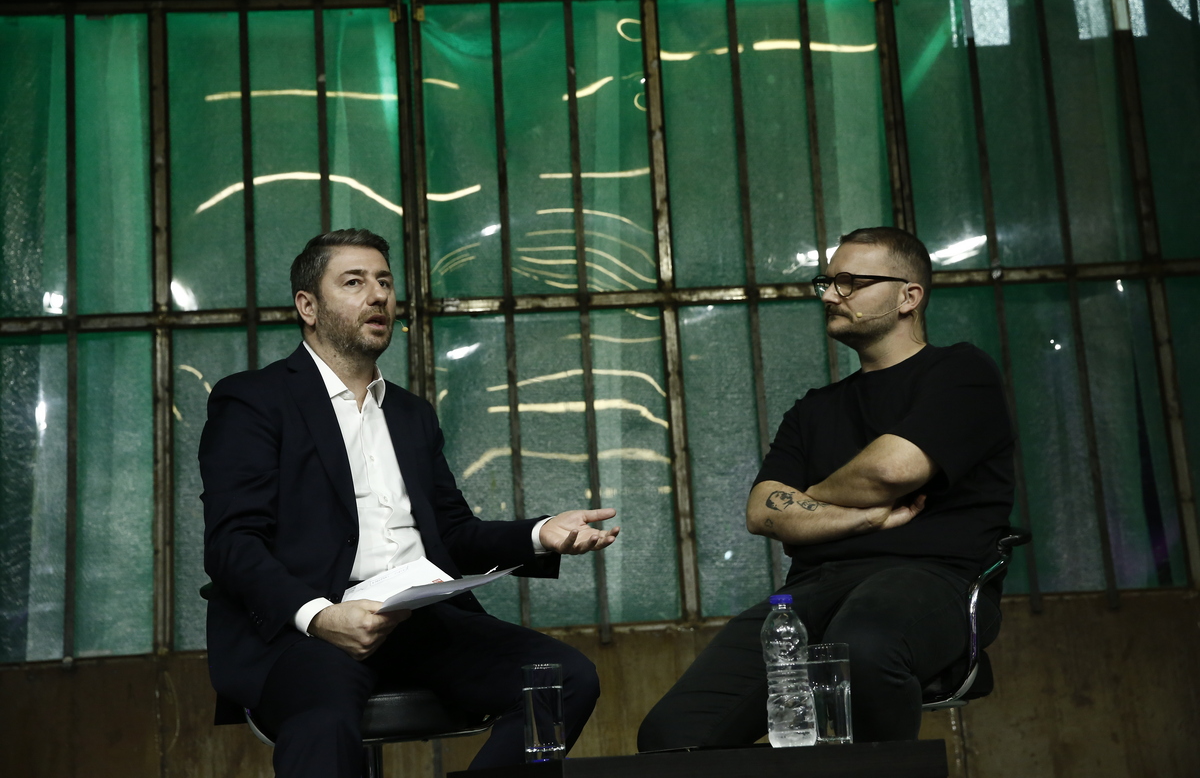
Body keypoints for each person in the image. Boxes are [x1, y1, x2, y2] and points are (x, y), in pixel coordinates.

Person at [200, 229, 620, 777]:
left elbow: (455, 535)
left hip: (419, 620)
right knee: (323, 720)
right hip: (310, 629)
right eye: (354, 282)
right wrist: (321, 616)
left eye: (384, 281)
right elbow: (232, 544)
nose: (378, 295)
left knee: (563, 681)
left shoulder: (410, 414)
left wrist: (541, 534)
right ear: (308, 306)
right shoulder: (253, 400)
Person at [637, 226, 1015, 749]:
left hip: (933, 579)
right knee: (670, 735)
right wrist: (865, 516)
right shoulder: (813, 410)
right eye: (828, 282)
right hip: (814, 589)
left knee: (862, 646)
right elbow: (763, 512)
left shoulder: (960, 372)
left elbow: (892, 471)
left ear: (909, 297)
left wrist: (811, 496)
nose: (832, 296)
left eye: (851, 282)